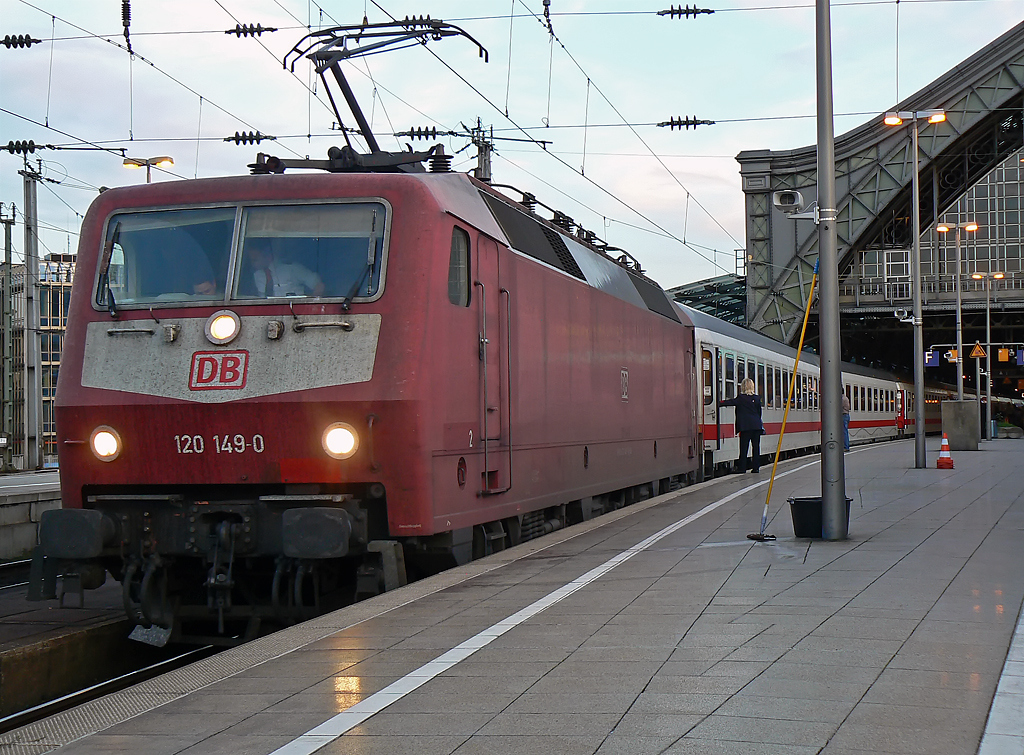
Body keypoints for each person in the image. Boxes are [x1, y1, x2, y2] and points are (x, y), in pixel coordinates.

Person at [248, 240, 324, 298]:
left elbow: (319, 285)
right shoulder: (256, 275)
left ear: (267, 256)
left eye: (255, 260)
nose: (252, 263)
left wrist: (310, 306)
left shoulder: (291, 268)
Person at [719, 378, 764, 473]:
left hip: (745, 427)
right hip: (756, 426)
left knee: (744, 448)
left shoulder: (741, 398)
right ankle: (756, 468)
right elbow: (759, 413)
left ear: (742, 387)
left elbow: (731, 402)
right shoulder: (757, 398)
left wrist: (719, 403)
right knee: (756, 447)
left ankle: (742, 468)